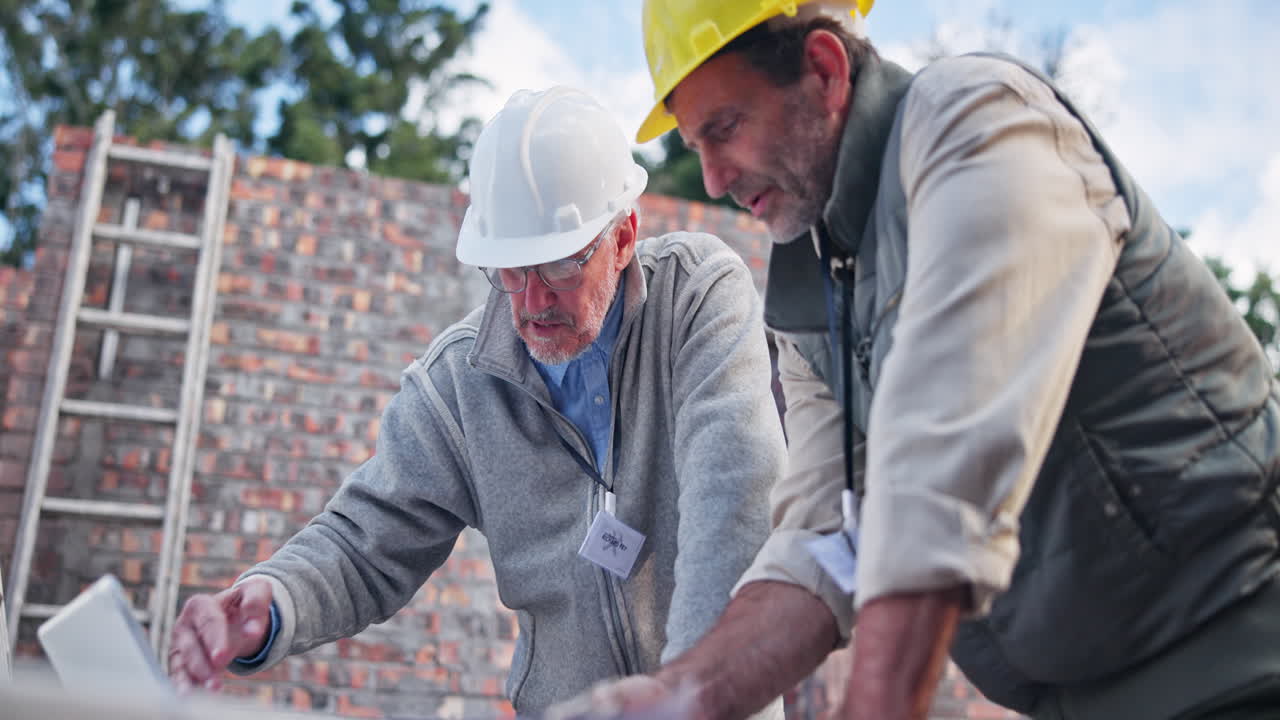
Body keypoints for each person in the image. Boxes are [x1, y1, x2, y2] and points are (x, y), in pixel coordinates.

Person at [557, 1, 1280, 719]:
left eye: (726, 128)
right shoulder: (811, 281)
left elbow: (948, 449)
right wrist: (678, 697)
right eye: (695, 146)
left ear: (824, 69)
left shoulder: (982, 125)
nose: (712, 179)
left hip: (1234, 661)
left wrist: (877, 701)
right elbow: (822, 539)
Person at [166, 86, 787, 718]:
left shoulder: (697, 297)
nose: (534, 301)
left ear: (623, 236)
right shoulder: (458, 387)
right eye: (510, 272)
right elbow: (362, 542)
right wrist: (274, 600)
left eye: (561, 268)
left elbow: (734, 494)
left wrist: (693, 695)